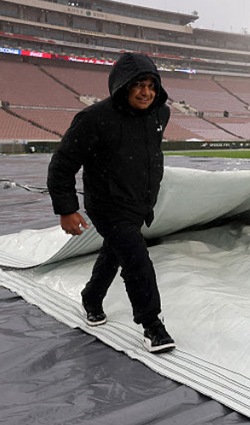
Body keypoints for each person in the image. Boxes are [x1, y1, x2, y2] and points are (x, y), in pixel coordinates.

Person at [47, 52, 175, 354]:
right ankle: (152, 325)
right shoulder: (93, 119)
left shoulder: (160, 114)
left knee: (115, 252)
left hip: (139, 203)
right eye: (138, 85)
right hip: (107, 204)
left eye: (151, 85)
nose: (146, 92)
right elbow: (62, 164)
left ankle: (91, 297)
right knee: (136, 259)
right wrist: (67, 209)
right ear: (122, 85)